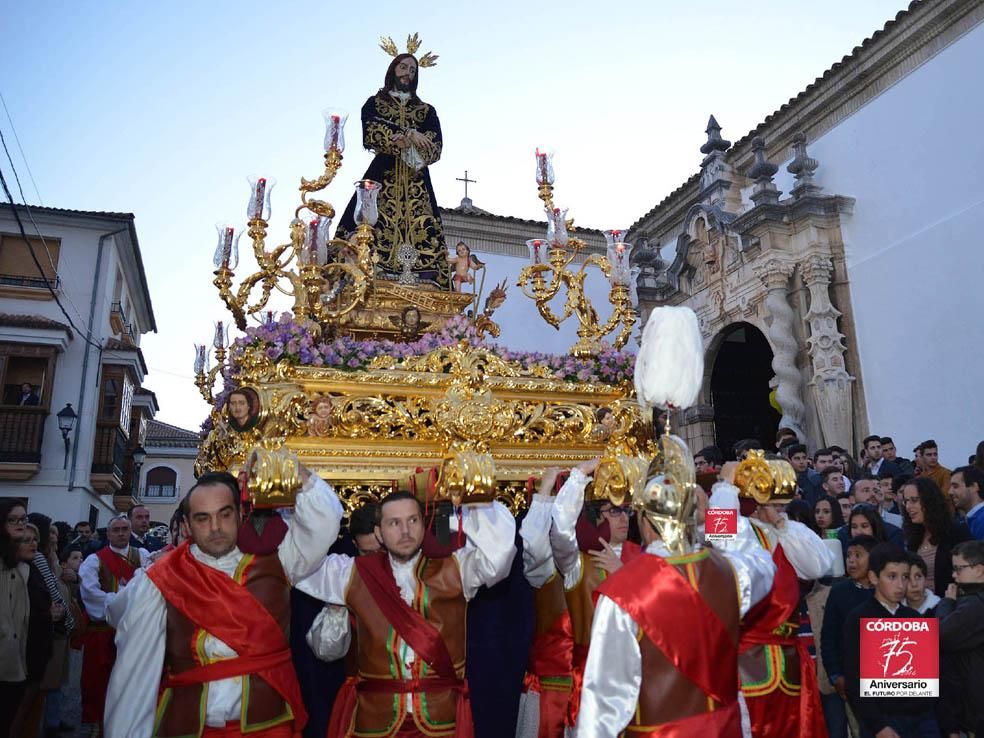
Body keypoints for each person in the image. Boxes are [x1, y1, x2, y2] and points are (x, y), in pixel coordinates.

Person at [105, 462, 341, 738]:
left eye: (224, 515)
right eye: (202, 518)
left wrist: (294, 471)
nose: (215, 527)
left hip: (268, 726)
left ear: (241, 514)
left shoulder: (281, 559)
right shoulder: (162, 577)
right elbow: (133, 673)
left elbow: (324, 524)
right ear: (186, 524)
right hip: (189, 726)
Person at [574, 448, 776, 737]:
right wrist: (723, 493)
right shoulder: (732, 572)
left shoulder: (621, 592)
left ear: (644, 521)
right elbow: (756, 557)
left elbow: (602, 704)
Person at [296, 481, 517, 737]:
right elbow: (301, 564)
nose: (405, 531)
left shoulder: (457, 568)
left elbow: (499, 557)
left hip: (441, 722)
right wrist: (306, 483)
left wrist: (475, 494)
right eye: (394, 523)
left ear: (424, 525)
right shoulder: (351, 573)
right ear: (379, 533)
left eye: (413, 520)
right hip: (376, 723)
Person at [712, 451, 835, 738]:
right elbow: (721, 537)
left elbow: (819, 564)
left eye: (783, 505)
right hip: (746, 662)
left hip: (789, 661)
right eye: (775, 504)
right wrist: (725, 487)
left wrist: (781, 525)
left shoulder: (787, 532)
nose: (780, 510)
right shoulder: (744, 532)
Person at [336, 45, 450, 287]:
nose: (407, 72)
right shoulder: (375, 102)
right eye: (403, 66)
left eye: (412, 69)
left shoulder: (426, 111)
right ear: (392, 70)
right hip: (383, 175)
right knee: (366, 223)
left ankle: (424, 278)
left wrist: (409, 140)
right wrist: (408, 134)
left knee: (426, 229)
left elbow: (435, 146)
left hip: (416, 181)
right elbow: (372, 131)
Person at [549, 459, 643, 726]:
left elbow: (717, 551)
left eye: (627, 510)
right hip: (591, 684)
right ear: (597, 516)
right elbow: (560, 532)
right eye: (615, 511)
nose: (625, 517)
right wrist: (578, 478)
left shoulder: (645, 555)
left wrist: (721, 493)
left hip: (638, 678)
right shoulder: (577, 560)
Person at [842, 543, 941, 738]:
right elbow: (854, 681)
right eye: (892, 576)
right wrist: (878, 726)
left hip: (923, 720)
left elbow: (931, 680)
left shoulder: (914, 618)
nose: (900, 584)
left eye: (904, 577)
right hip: (882, 722)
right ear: (873, 577)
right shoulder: (859, 618)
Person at [514, 468, 573, 738]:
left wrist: (722, 493)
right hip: (557, 695)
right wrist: (544, 495)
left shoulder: (639, 561)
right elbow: (542, 545)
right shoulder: (555, 567)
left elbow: (722, 549)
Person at [78, 514, 149, 733]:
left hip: (134, 634)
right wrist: (122, 603)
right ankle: (98, 726)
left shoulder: (144, 556)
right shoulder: (94, 560)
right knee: (99, 683)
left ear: (130, 532)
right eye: (116, 529)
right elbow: (91, 594)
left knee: (132, 681)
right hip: (102, 633)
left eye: (124, 529)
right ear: (108, 533)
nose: (120, 533)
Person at [820, 535, 877, 738]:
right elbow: (828, 638)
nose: (851, 561)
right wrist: (836, 675)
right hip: (848, 680)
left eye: (858, 555)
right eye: (849, 555)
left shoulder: (884, 591)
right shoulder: (839, 592)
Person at [936, 540, 984, 737]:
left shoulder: (976, 605)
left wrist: (946, 603)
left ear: (980, 570)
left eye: (959, 569)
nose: (954, 575)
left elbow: (939, 635)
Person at [901, 477, 971, 593]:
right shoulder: (913, 536)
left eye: (914, 500)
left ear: (929, 501)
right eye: (906, 501)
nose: (908, 506)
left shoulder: (956, 532)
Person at [1, 498, 31, 738]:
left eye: (23, 519)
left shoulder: (20, 565)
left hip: (14, 662)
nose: (20, 524)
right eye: (13, 520)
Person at [948, 465, 984, 539]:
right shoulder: (969, 519)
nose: (949, 492)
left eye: (955, 486)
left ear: (974, 487)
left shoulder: (981, 521)